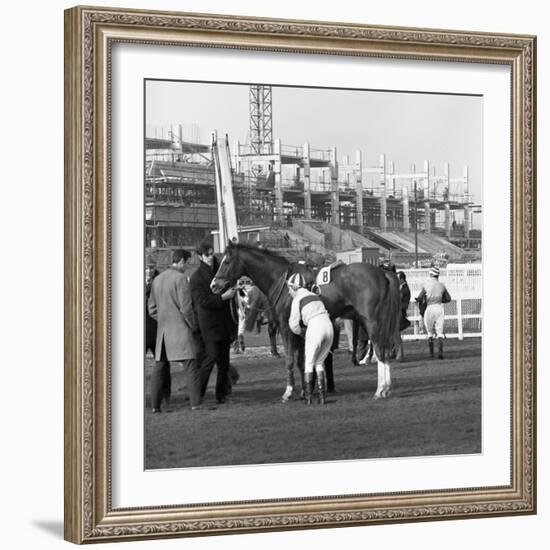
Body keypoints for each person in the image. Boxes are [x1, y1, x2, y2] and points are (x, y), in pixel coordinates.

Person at [147, 250, 201, 412]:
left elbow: (151, 309)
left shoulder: (157, 279)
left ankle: (155, 406)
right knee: (191, 366)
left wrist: (164, 319)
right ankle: (196, 404)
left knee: (159, 368)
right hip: (180, 330)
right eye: (187, 262)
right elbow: (186, 308)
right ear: (182, 261)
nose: (187, 266)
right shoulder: (181, 279)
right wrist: (193, 326)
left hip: (163, 333)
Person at [190, 241, 237, 404]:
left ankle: (221, 395)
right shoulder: (196, 278)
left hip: (223, 322)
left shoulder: (219, 271)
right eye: (207, 255)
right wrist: (223, 297)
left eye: (211, 254)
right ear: (200, 257)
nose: (210, 257)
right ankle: (198, 394)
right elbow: (201, 301)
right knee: (211, 358)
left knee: (224, 362)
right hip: (209, 324)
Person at [287, 273, 333, 405]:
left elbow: (293, 324)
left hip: (315, 326)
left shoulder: (297, 299)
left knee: (309, 363)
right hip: (328, 325)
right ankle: (322, 397)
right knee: (319, 362)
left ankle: (308, 397)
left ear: (294, 287)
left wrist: (301, 332)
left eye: (289, 289)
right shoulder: (314, 295)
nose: (289, 292)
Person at [415, 265, 452, 359]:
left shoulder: (426, 285)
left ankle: (431, 354)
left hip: (430, 307)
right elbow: (448, 299)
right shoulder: (442, 285)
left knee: (430, 332)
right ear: (438, 275)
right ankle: (440, 353)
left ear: (430, 274)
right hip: (439, 307)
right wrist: (439, 300)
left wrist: (421, 300)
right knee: (440, 332)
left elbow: (420, 297)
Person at [145, 266, 159, 357]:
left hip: (155, 322)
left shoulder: (159, 281)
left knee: (161, 358)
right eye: (147, 268)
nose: (149, 270)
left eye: (151, 268)